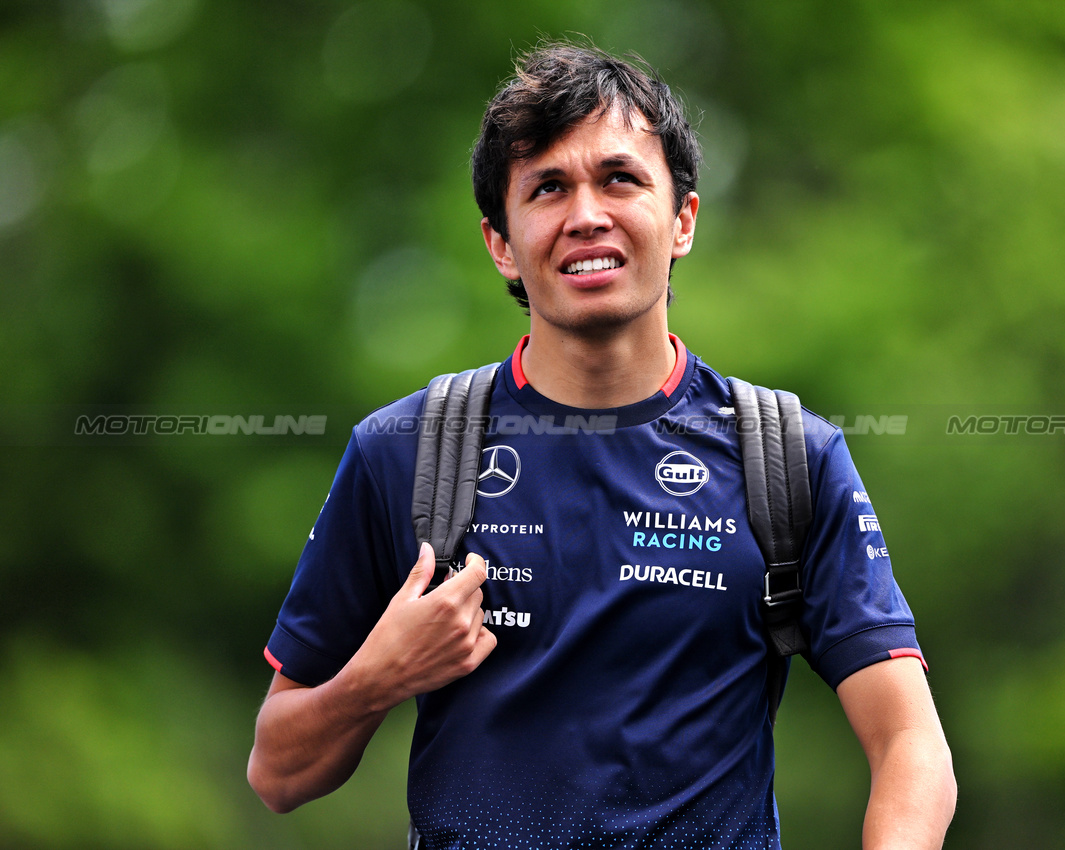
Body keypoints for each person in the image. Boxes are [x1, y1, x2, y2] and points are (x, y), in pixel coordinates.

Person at [248, 43, 956, 849]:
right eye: (547, 188)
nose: (585, 214)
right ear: (501, 245)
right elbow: (278, 773)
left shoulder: (788, 455)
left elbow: (912, 748)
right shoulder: (404, 451)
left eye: (619, 178)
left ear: (682, 218)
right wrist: (379, 677)